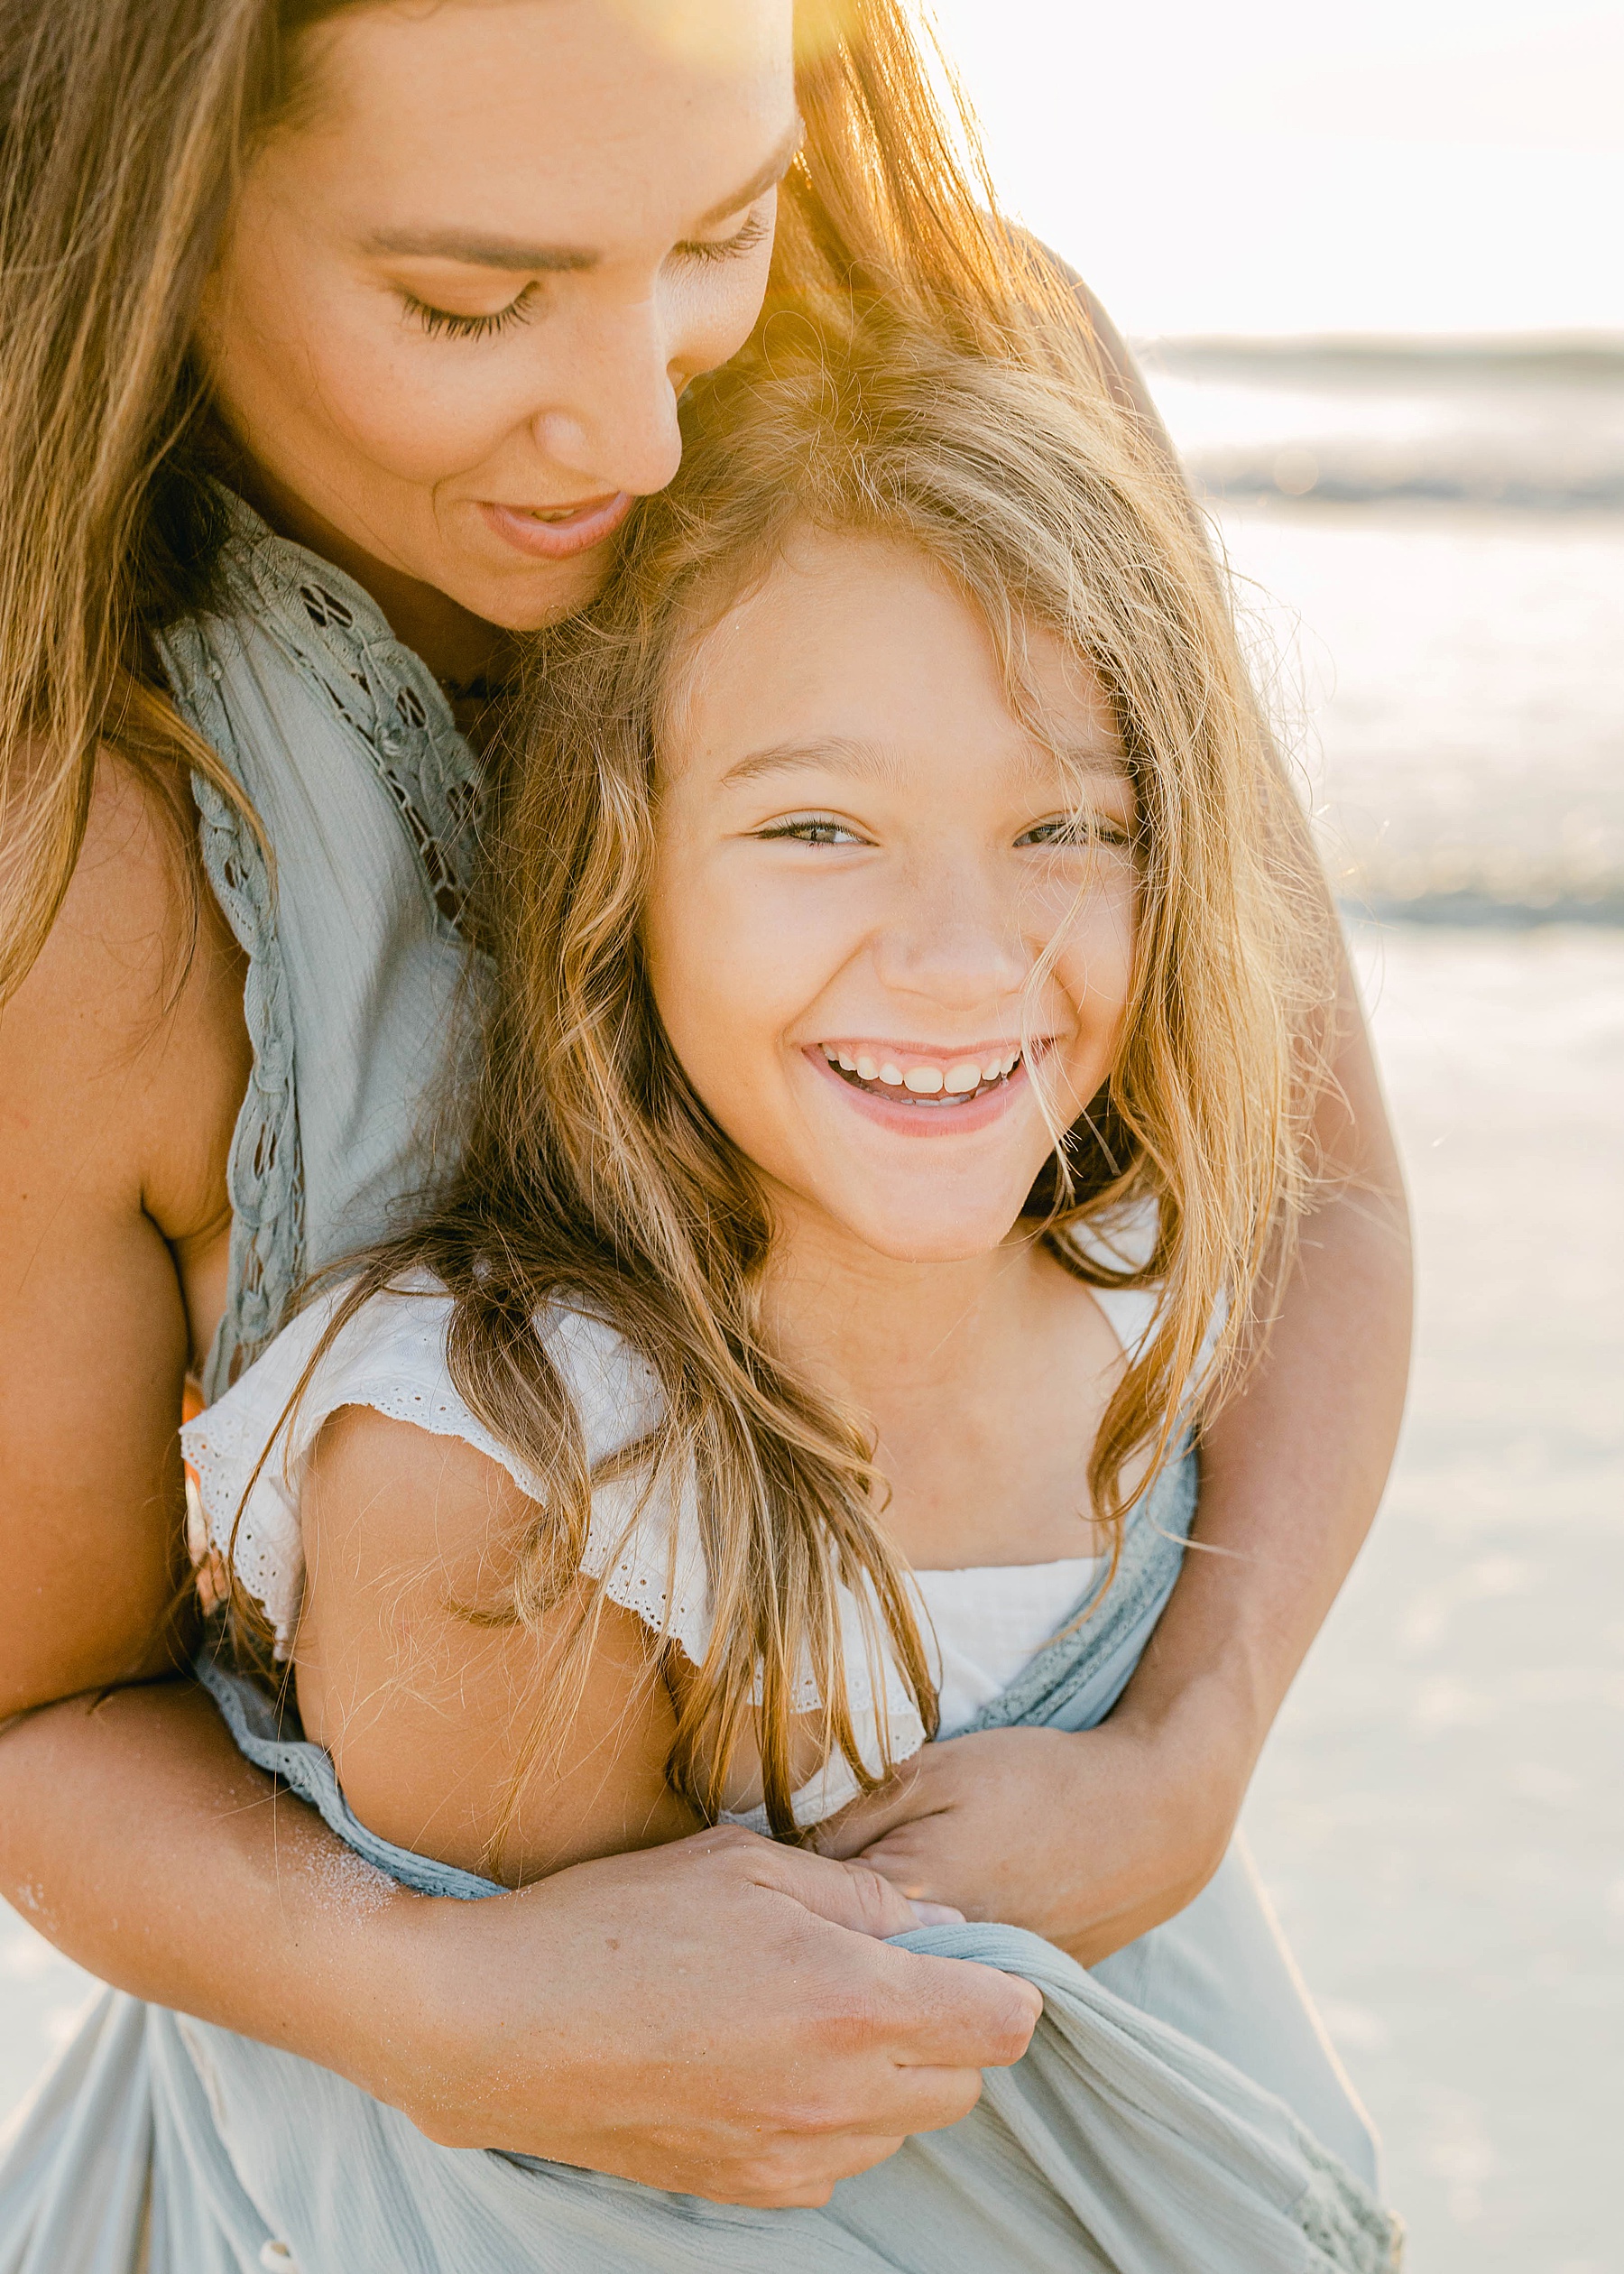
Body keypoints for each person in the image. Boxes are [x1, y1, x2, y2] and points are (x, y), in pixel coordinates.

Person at [0, 0, 1410, 2214]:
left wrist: (1189, 1745)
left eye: (718, 230)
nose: (642, 422)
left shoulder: (979, 386)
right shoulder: (92, 832)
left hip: (1108, 2075)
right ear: (157, 208)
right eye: (472, 300)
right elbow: (37, 1717)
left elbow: (1312, 1182)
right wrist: (430, 2006)